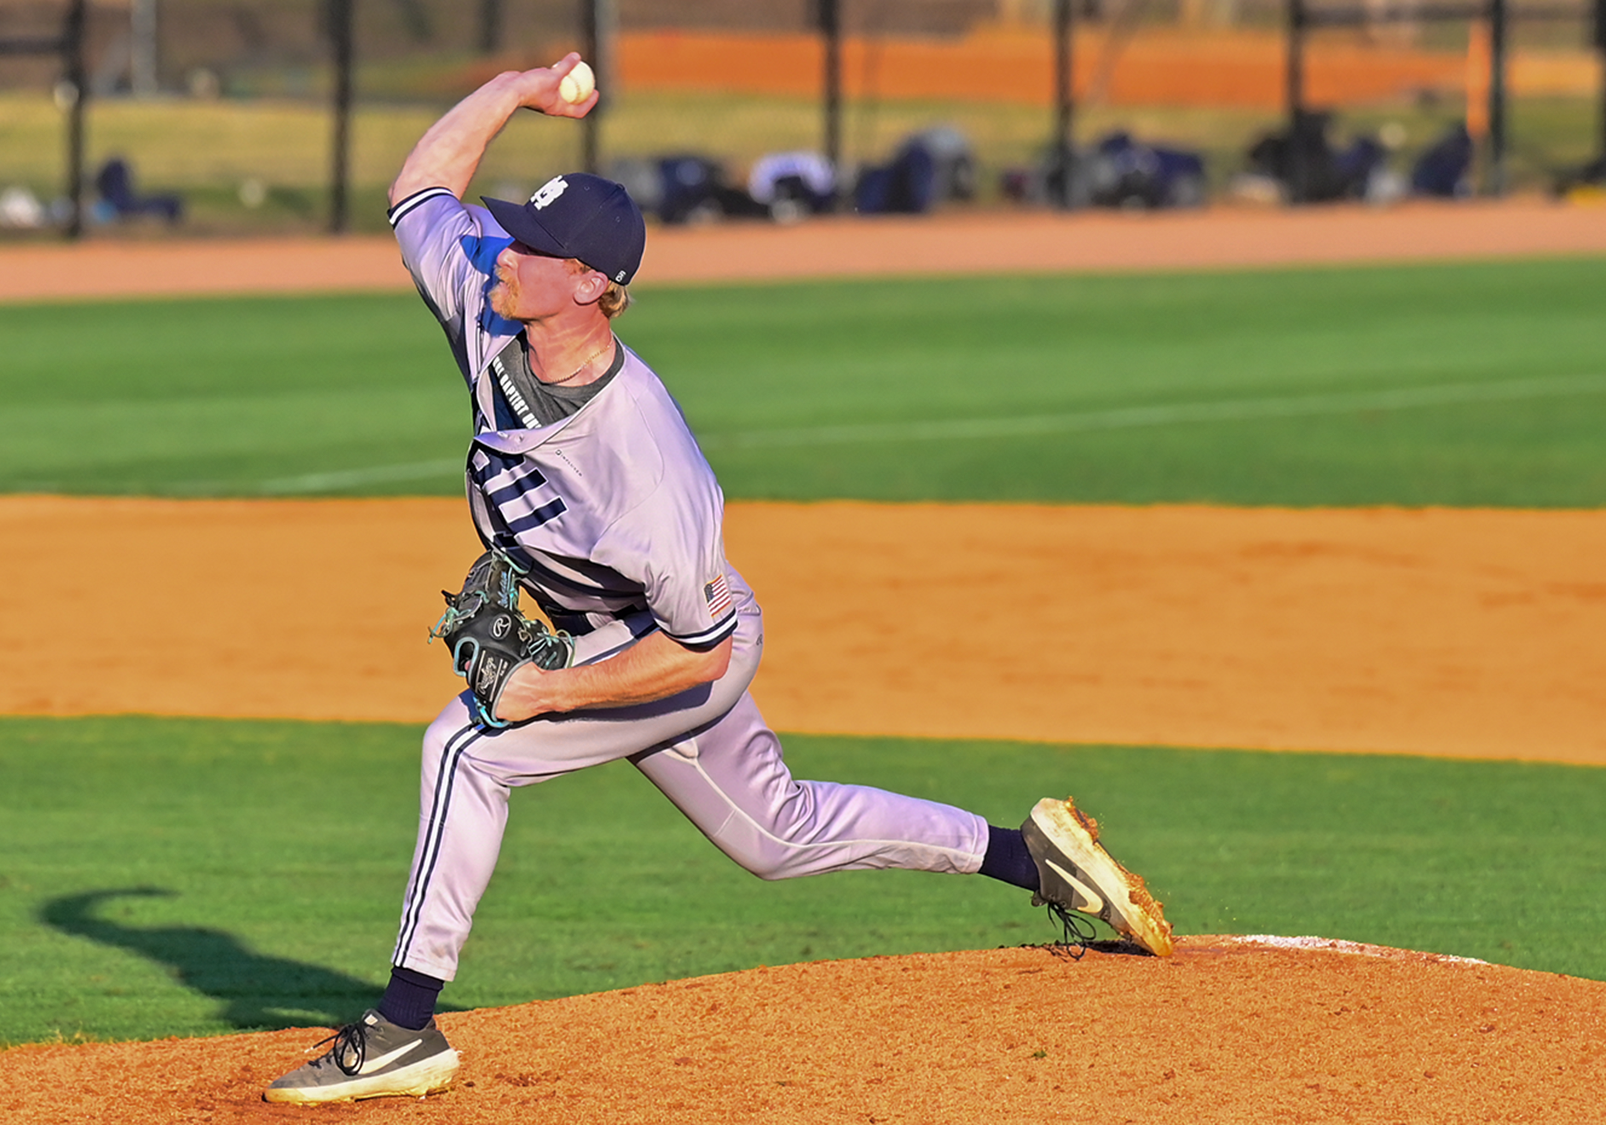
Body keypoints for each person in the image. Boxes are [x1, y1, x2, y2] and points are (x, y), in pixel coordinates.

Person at [262, 54, 1174, 1106]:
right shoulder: (488, 300)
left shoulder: (647, 468)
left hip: (681, 644)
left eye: (536, 247)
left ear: (593, 288)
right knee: (777, 833)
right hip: (617, 627)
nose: (505, 249)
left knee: (468, 746)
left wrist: (549, 690)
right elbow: (418, 190)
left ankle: (403, 1030)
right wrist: (515, 90)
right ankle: (1033, 858)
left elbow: (690, 649)